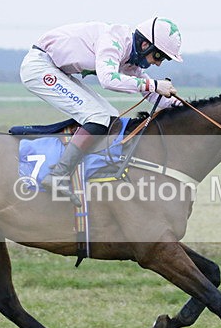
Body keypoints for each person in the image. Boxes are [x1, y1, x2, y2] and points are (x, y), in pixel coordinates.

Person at [20, 17, 183, 205]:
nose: (159, 64)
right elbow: (108, 79)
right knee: (99, 117)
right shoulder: (114, 41)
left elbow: (150, 93)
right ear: (145, 44)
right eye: (158, 56)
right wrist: (154, 84)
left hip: (56, 69)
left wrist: (185, 107)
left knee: (112, 118)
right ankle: (58, 176)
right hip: (40, 67)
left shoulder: (131, 60)